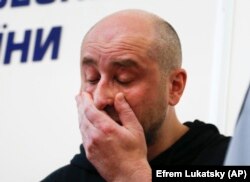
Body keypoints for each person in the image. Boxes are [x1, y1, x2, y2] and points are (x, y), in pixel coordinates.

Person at [42, 9, 230, 182]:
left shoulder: (233, 161)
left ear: (174, 86)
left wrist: (129, 175)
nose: (100, 98)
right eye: (92, 78)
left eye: (123, 78)